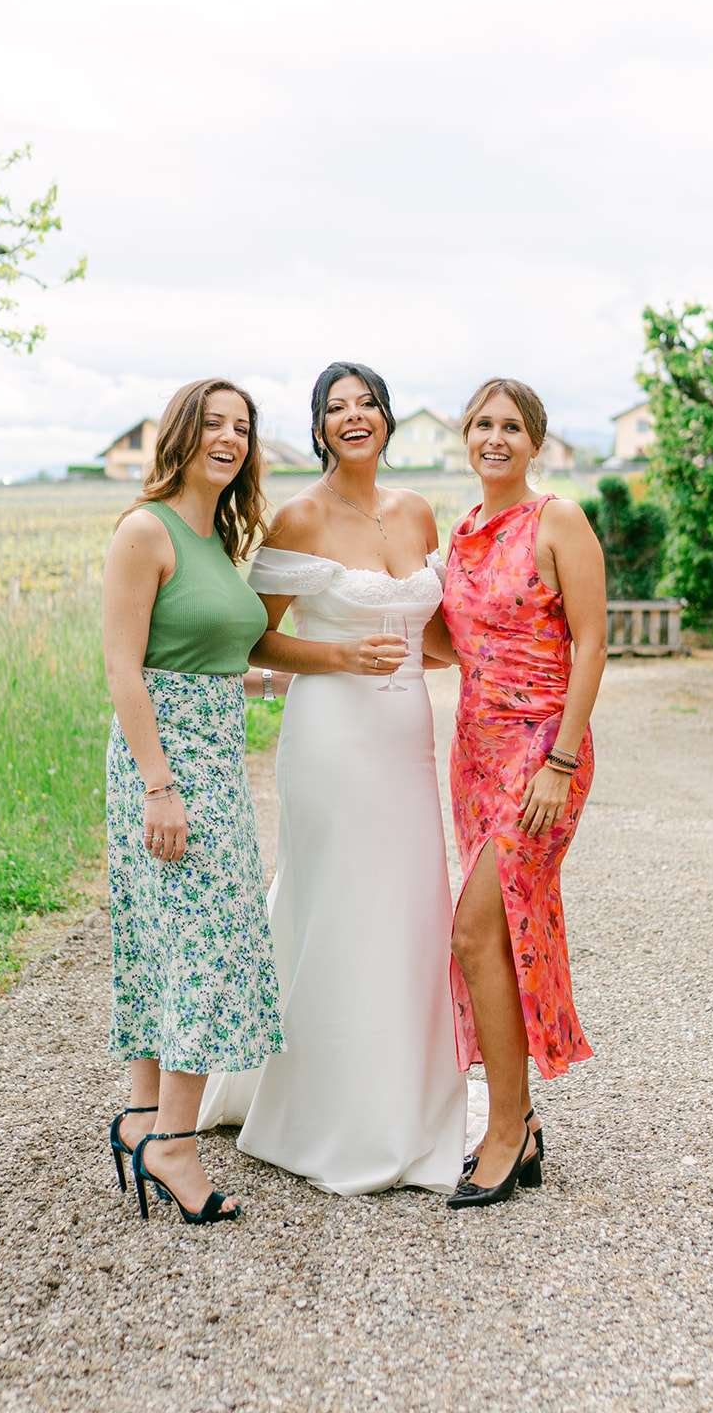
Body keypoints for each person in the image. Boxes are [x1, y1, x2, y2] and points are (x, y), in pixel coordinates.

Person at [199, 362, 467, 1194]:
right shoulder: (299, 518)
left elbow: (431, 633)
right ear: (319, 427)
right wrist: (338, 655)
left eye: (368, 405)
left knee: (410, 907)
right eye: (336, 408)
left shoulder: (417, 510)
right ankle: (324, 1107)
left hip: (406, 737)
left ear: (386, 421)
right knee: (339, 901)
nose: (355, 417)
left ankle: (410, 1101)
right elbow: (256, 640)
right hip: (331, 736)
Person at [102, 378, 284, 1225]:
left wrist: (275, 678)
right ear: (180, 433)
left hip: (212, 752)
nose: (230, 437)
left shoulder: (217, 536)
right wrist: (158, 785)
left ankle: (143, 1118)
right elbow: (124, 668)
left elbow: (202, 655)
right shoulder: (146, 530)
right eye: (213, 423)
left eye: (242, 427)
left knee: (165, 942)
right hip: (167, 765)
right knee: (211, 944)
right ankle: (175, 1141)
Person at [430, 376, 606, 1209]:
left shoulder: (556, 520)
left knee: (472, 930)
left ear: (535, 442)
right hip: (473, 755)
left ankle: (504, 1128)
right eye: (480, 424)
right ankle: (520, 1123)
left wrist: (561, 760)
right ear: (464, 437)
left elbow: (592, 638)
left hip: (542, 757)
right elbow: (440, 641)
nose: (493, 438)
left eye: (510, 427)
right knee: (492, 940)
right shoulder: (460, 532)